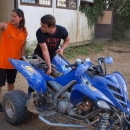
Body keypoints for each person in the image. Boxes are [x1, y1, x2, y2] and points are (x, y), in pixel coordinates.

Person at [28, 14, 70, 95]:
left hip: (53, 54)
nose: (41, 27)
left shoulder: (61, 30)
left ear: (52, 27)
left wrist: (62, 49)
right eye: (41, 25)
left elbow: (67, 39)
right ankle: (30, 92)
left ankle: (51, 94)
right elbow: (45, 50)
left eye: (44, 26)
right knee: (37, 75)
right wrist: (49, 66)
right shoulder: (39, 32)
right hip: (39, 55)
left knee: (56, 73)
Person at [0, 9, 27, 112]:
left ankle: (11, 99)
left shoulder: (24, 31)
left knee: (11, 82)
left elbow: (23, 45)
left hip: (14, 62)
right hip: (2, 61)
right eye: (11, 16)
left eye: (14, 16)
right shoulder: (6, 26)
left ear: (21, 18)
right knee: (0, 83)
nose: (12, 18)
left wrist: (23, 57)